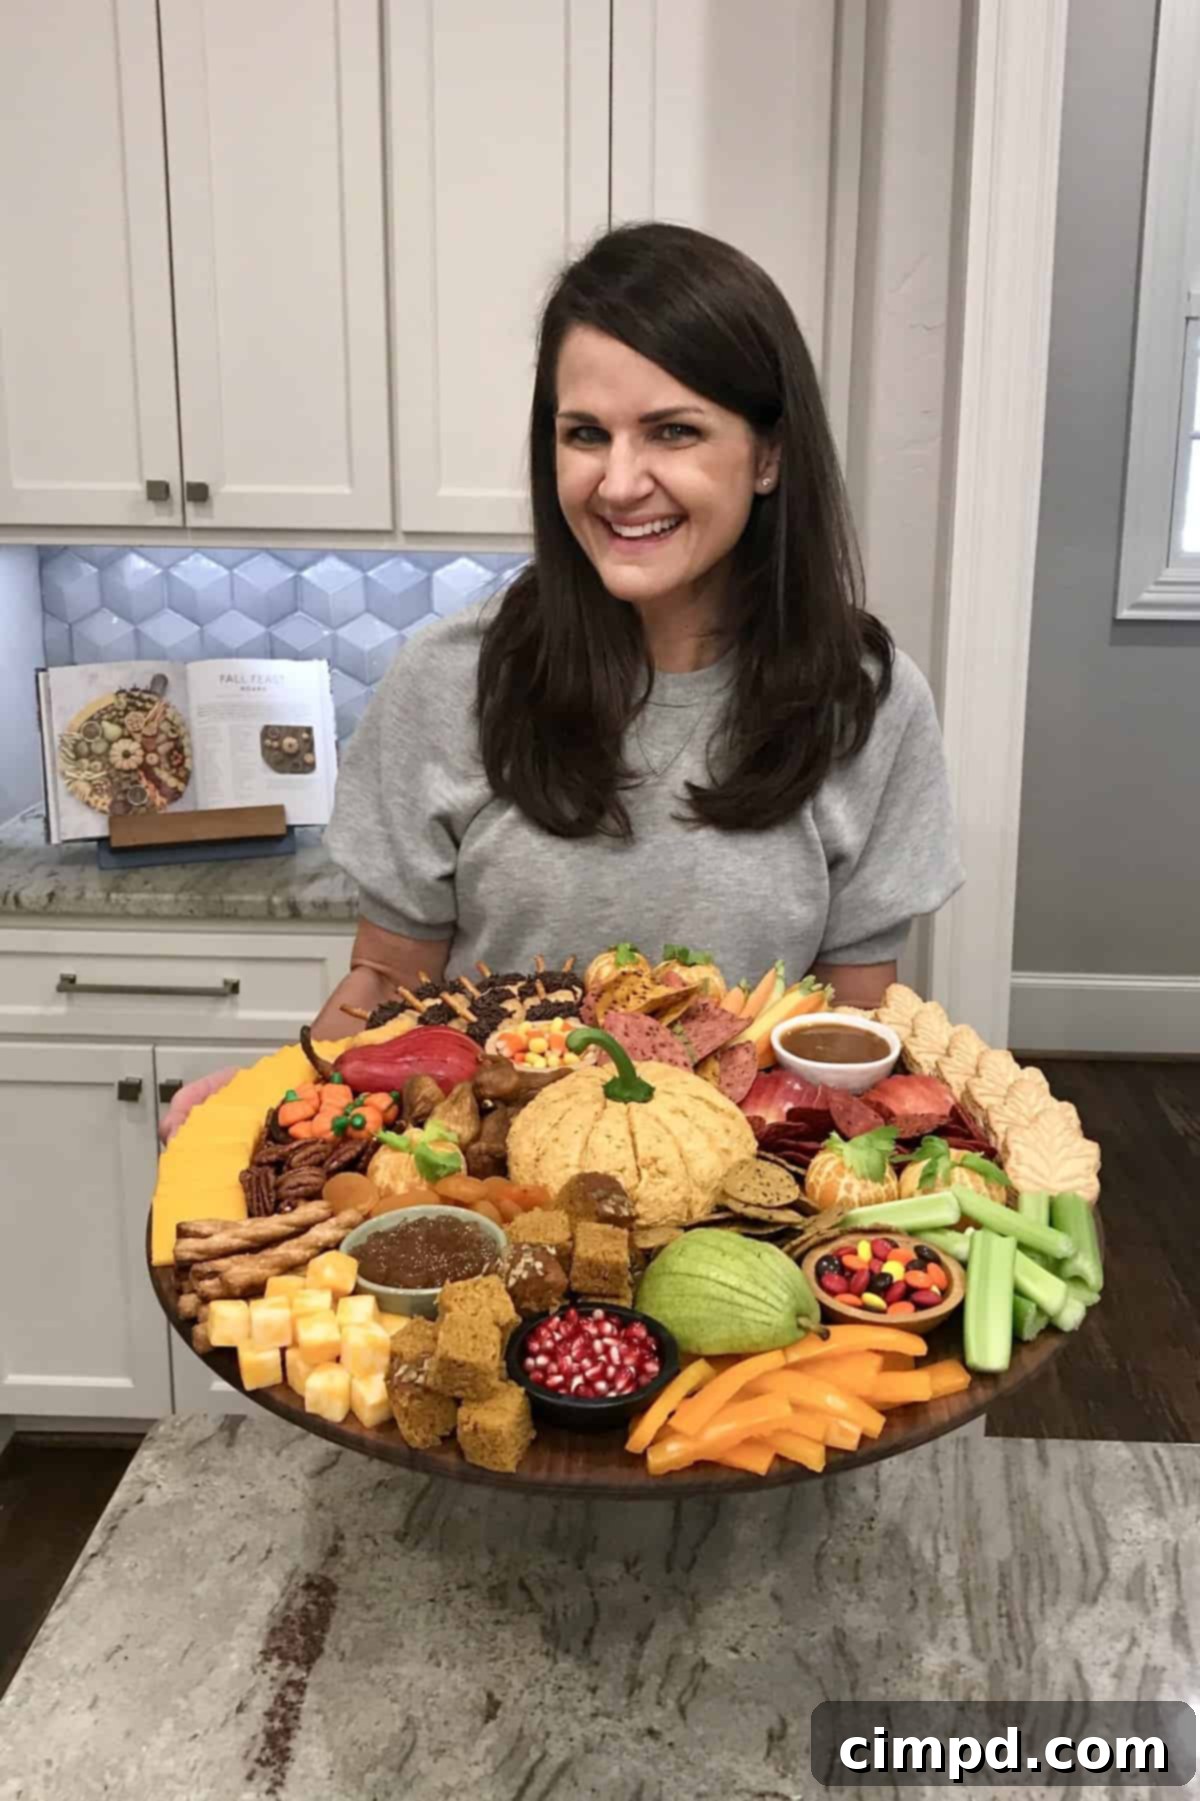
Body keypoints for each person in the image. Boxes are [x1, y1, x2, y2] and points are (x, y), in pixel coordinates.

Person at [160, 222, 962, 1138]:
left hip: (743, 1189)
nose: (618, 483)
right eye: (586, 433)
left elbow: (850, 1031)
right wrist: (269, 1106)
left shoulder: (869, 703)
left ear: (770, 454)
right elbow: (386, 989)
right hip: (482, 1190)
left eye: (673, 431)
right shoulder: (450, 681)